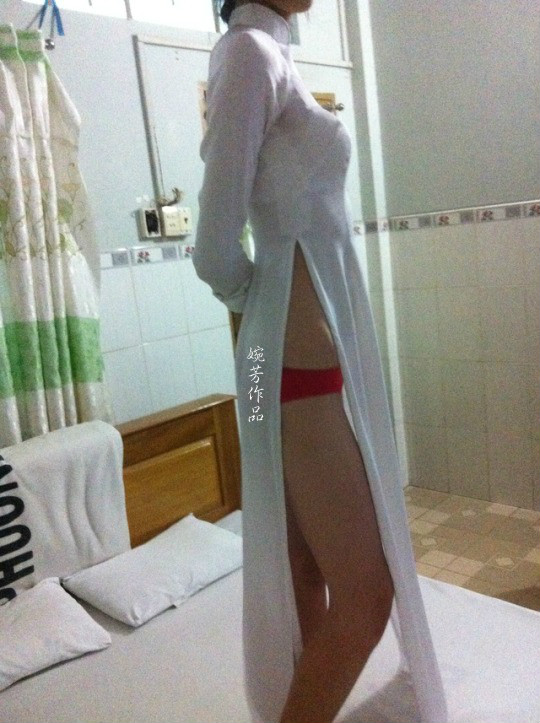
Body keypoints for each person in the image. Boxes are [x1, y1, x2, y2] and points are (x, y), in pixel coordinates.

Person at [193, 2, 449, 722]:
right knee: (367, 593)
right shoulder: (250, 53)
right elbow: (214, 249)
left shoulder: (263, 54)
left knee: (304, 568)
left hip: (273, 368)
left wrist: (268, 320)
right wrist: (271, 304)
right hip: (288, 365)